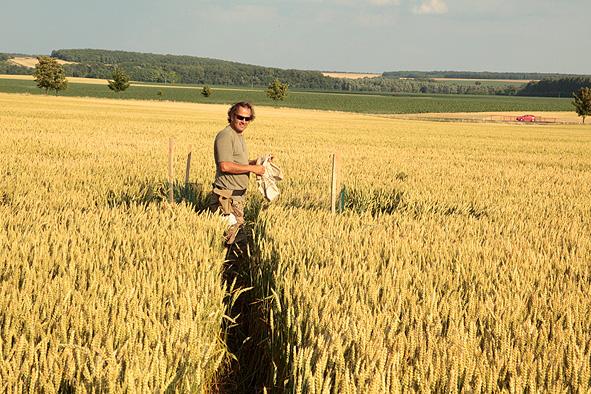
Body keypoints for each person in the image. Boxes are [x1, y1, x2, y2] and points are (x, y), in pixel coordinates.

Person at [208, 102, 265, 245]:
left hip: (236, 198)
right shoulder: (226, 136)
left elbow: (237, 163)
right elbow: (225, 166)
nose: (244, 121)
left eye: (248, 118)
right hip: (227, 199)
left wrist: (255, 162)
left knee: (234, 239)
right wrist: (252, 169)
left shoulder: (238, 135)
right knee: (228, 240)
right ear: (232, 116)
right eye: (240, 117)